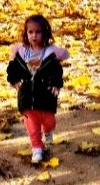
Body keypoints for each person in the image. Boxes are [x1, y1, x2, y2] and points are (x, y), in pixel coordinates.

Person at [6, 14, 69, 164]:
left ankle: (48, 131)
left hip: (46, 95)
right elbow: (13, 68)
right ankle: (37, 148)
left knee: (49, 121)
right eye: (30, 32)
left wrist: (55, 84)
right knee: (32, 124)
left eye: (38, 32)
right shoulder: (22, 52)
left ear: (44, 33)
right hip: (27, 95)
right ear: (26, 33)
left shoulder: (49, 53)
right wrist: (14, 80)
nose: (34, 36)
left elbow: (56, 71)